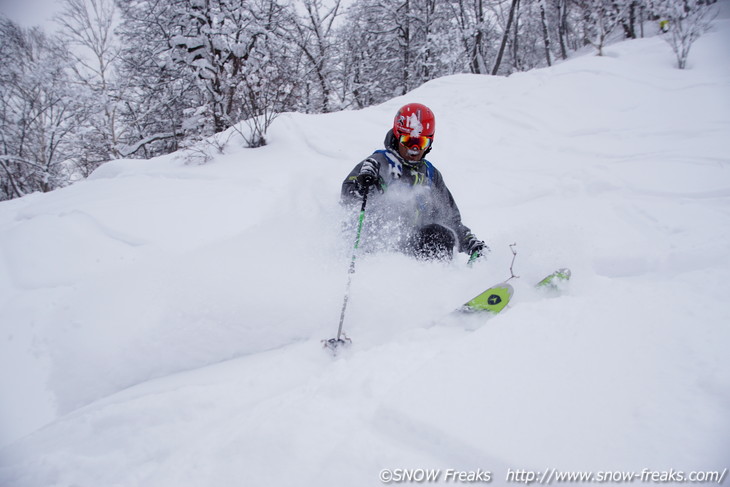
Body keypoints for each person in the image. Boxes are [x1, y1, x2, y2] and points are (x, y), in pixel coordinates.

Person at [341, 103, 487, 261]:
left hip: (413, 251)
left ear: (429, 144)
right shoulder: (377, 163)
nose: (414, 149)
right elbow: (348, 196)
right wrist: (361, 186)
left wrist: (469, 241)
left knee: (439, 234)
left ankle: (435, 281)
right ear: (397, 137)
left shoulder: (431, 175)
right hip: (377, 248)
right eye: (408, 141)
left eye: (421, 143)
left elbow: (450, 218)